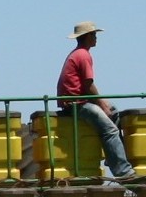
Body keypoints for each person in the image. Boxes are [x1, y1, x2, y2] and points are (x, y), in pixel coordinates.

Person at [57, 21, 136, 181]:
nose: (96, 38)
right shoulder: (83, 55)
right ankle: (123, 172)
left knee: (114, 111)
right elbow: (88, 85)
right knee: (111, 130)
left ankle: (112, 155)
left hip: (76, 100)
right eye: (94, 35)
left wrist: (105, 106)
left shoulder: (77, 53)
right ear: (86, 37)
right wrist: (101, 104)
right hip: (76, 104)